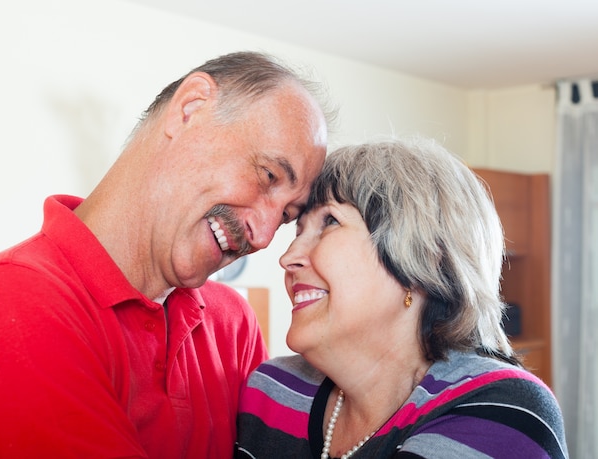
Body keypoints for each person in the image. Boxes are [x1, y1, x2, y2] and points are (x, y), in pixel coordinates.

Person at [0, 51, 334, 458]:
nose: (265, 235)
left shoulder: (233, 326)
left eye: (286, 215)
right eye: (268, 175)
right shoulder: (7, 298)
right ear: (191, 108)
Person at [236, 138, 569, 458]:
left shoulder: (503, 408)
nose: (289, 257)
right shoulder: (273, 391)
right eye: (298, 230)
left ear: (421, 260)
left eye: (330, 222)